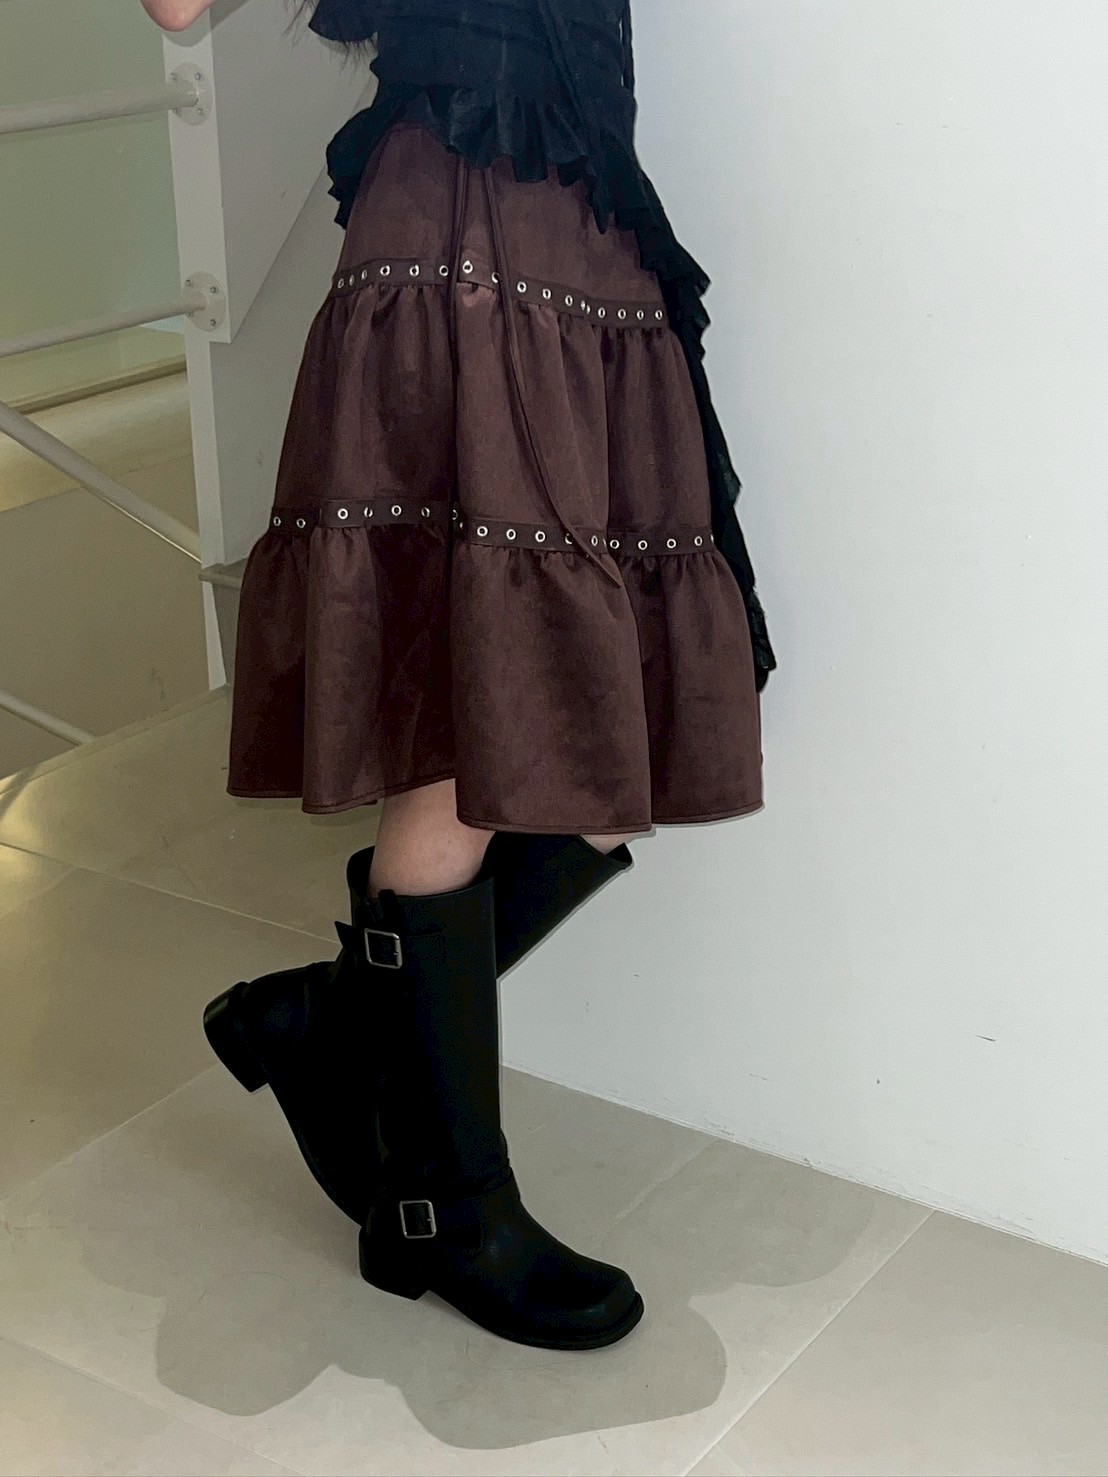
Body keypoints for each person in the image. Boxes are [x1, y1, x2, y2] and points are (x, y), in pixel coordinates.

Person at [143, 0, 774, 1351]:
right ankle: (446, 1207)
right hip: (461, 235)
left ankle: (335, 1025)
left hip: (580, 214)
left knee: (607, 715)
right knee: (469, 713)